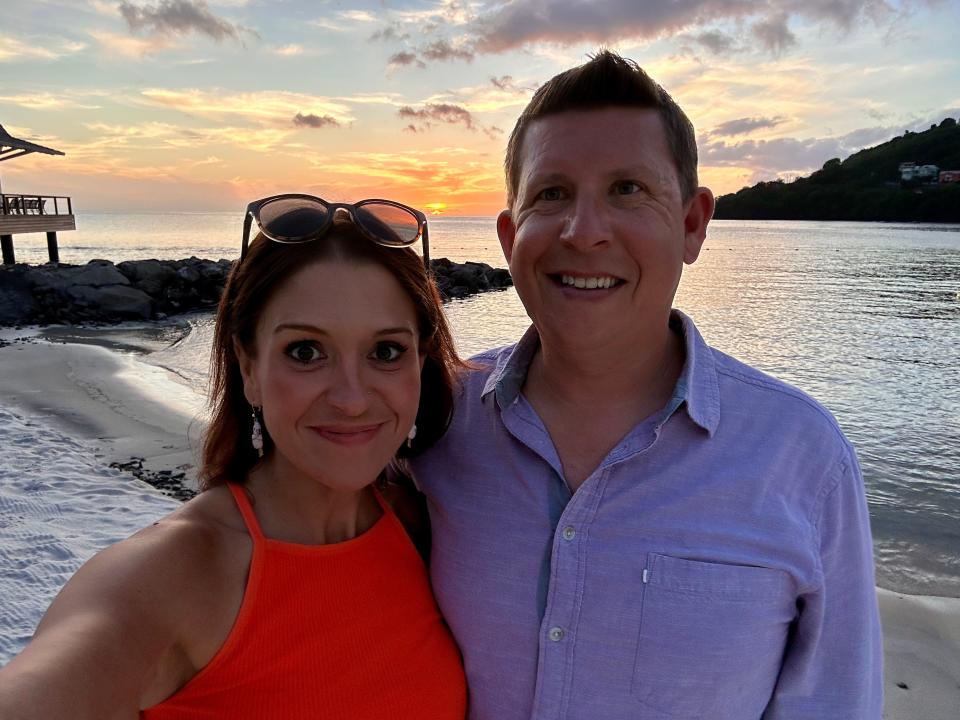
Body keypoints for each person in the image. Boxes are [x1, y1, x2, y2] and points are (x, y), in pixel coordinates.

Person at [408, 51, 883, 719]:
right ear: (511, 236)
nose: (585, 231)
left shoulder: (800, 455)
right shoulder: (435, 420)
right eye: (552, 193)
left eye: (628, 189)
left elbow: (834, 702)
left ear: (692, 224)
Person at [0, 195, 467, 719]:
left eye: (385, 352)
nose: (352, 398)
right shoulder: (172, 573)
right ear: (248, 367)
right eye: (306, 352)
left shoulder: (425, 529)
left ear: (419, 364)